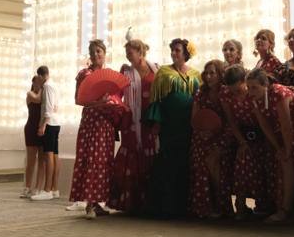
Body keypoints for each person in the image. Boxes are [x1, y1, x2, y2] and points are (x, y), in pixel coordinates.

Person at [246, 68, 294, 224]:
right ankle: (288, 208)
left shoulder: (278, 93)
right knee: (283, 161)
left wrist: (287, 150)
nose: (251, 91)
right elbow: (264, 125)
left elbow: (287, 124)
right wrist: (278, 147)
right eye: (249, 87)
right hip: (286, 130)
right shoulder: (253, 98)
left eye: (254, 87)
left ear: (265, 85)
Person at [69, 40, 130, 219]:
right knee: (91, 160)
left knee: (104, 161)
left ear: (104, 53)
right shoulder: (84, 74)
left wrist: (114, 105)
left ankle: (99, 202)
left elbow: (117, 97)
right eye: (93, 52)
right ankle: (88, 204)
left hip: (106, 124)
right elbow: (79, 100)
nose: (96, 55)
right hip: (91, 123)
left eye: (99, 51)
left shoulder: (109, 76)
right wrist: (99, 103)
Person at [144, 39, 201, 218]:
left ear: (186, 53)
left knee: (185, 162)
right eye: (172, 50)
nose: (174, 53)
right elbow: (157, 100)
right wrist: (157, 124)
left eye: (177, 50)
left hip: (188, 125)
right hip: (169, 125)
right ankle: (164, 206)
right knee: (167, 162)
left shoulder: (196, 74)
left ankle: (183, 205)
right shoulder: (163, 72)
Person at [109, 39, 157, 213]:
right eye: (127, 52)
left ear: (140, 52)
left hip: (150, 120)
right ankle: (130, 202)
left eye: (130, 52)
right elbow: (116, 94)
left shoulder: (155, 69)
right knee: (131, 153)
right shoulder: (125, 71)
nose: (128, 55)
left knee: (149, 153)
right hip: (132, 121)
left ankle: (149, 201)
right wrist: (120, 107)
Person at [221, 65, 270, 219]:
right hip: (241, 135)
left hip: (260, 134)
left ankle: (263, 204)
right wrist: (242, 142)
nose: (235, 93)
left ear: (244, 81)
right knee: (243, 161)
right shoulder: (227, 96)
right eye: (231, 90)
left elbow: (263, 120)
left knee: (258, 165)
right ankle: (241, 206)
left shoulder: (252, 93)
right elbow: (232, 121)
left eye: (238, 90)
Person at [189, 60, 230, 219]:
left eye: (212, 73)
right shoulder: (200, 92)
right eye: (206, 73)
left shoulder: (225, 92)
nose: (208, 76)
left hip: (221, 135)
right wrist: (201, 131)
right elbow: (195, 116)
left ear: (220, 74)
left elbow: (229, 118)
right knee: (202, 168)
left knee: (218, 169)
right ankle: (205, 206)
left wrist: (217, 135)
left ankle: (221, 205)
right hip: (202, 136)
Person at [30, 67, 62, 201]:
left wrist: (43, 124)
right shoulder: (54, 85)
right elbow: (56, 105)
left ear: (42, 75)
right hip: (56, 123)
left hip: (49, 123)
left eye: (39, 77)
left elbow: (48, 107)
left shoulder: (48, 86)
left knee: (48, 155)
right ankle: (54, 189)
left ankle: (47, 190)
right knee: (54, 155)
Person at [20, 74, 43, 199]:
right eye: (36, 82)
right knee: (31, 160)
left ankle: (38, 188)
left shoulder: (44, 94)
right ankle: (27, 187)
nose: (38, 85)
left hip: (42, 128)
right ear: (33, 83)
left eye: (40, 82)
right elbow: (38, 99)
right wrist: (43, 89)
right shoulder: (30, 94)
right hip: (31, 128)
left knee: (42, 160)